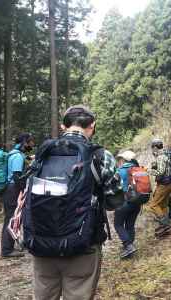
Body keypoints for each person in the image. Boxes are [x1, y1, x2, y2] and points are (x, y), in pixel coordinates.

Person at [31, 105, 122, 300]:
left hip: (42, 242)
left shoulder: (43, 153)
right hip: (83, 244)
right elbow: (114, 200)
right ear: (92, 126)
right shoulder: (100, 156)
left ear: (63, 126)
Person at [1, 133, 35, 258]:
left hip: (11, 189)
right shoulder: (17, 156)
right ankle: (6, 250)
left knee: (14, 218)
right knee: (11, 218)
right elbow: (16, 176)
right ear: (25, 142)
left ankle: (10, 246)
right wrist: (23, 189)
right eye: (31, 142)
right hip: (12, 190)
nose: (32, 145)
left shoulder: (16, 154)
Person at [114, 150, 141, 258]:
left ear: (124, 160)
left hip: (124, 202)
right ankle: (129, 247)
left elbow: (113, 185)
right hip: (137, 202)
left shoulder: (120, 171)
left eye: (121, 159)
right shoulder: (138, 169)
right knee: (130, 225)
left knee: (118, 224)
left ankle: (128, 245)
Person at [148, 138, 171, 237]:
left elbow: (160, 172)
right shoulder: (167, 154)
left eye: (152, 147)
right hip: (169, 184)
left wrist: (148, 170)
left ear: (155, 147)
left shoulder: (161, 157)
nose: (152, 149)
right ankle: (164, 226)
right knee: (163, 205)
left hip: (164, 184)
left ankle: (165, 225)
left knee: (153, 205)